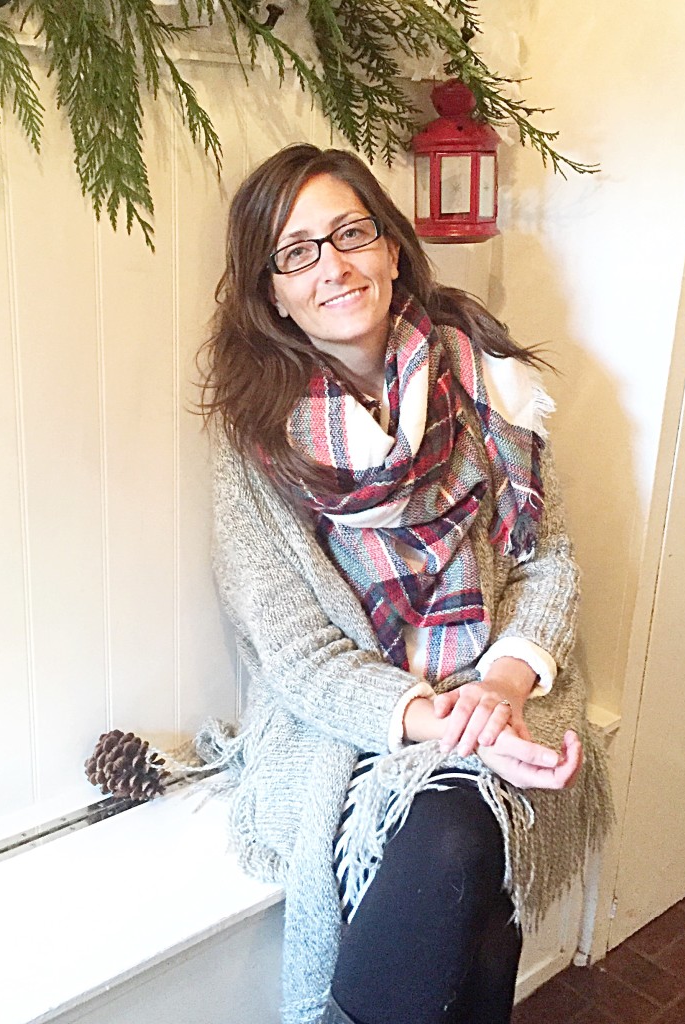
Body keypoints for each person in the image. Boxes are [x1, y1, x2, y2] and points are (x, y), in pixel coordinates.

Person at [196, 143, 612, 1024]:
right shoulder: (256, 445)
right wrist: (446, 722)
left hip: (496, 683)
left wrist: (497, 690)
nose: (334, 266)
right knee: (466, 851)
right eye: (298, 251)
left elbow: (549, 560)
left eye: (352, 233)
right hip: (349, 722)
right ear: (271, 289)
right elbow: (303, 659)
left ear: (391, 249)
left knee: (465, 839)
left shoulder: (489, 385)